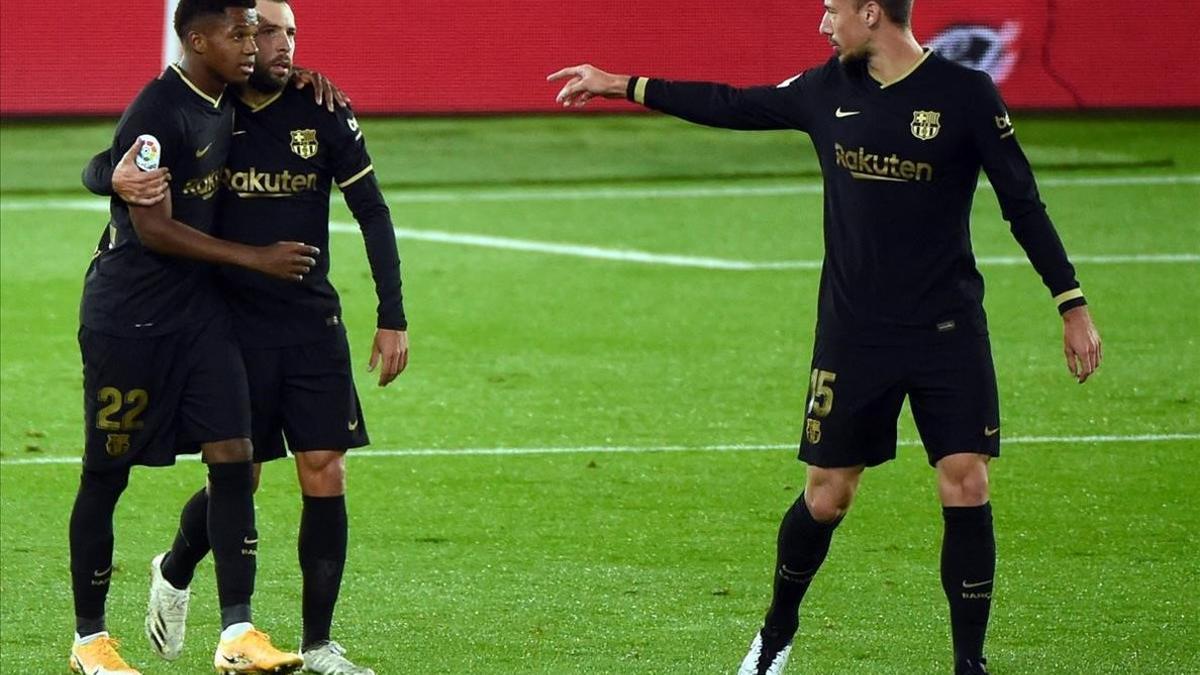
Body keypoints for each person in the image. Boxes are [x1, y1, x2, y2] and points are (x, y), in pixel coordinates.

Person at [548, 0, 1102, 673]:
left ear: (872, 12)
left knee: (967, 483)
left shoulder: (964, 95)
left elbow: (1022, 199)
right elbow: (732, 103)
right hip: (854, 335)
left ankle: (968, 664)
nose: (822, 23)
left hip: (947, 330)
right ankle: (777, 631)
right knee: (827, 496)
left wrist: (1070, 303)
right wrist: (624, 84)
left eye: (831, 9)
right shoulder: (826, 90)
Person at [84, 2, 407, 672]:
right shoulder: (210, 102)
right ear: (228, 39)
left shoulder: (319, 106)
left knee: (325, 467)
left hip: (310, 322)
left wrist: (392, 313)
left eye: (290, 32)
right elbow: (124, 153)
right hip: (226, 318)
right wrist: (103, 176)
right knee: (241, 473)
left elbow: (371, 207)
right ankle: (171, 572)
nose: (276, 44)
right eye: (261, 31)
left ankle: (316, 643)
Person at [69, 1, 321, 674]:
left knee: (236, 455)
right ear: (198, 39)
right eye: (240, 34)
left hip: (199, 317)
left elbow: (283, 83)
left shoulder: (225, 94)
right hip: (128, 317)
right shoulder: (161, 108)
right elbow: (152, 228)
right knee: (106, 471)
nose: (253, 44)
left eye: (257, 34)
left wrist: (311, 79)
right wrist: (255, 257)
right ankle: (89, 639)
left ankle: (237, 631)